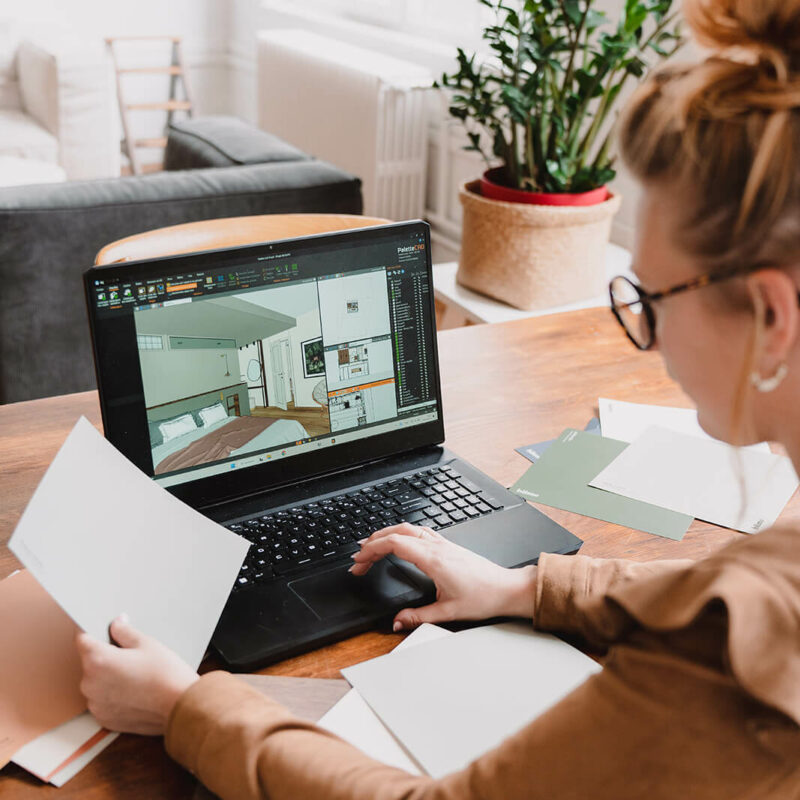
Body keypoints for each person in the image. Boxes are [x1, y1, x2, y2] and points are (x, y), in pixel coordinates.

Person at [76, 0, 800, 796]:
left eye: (650, 297)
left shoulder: (731, 666)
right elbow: (717, 590)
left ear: (771, 315)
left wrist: (184, 707)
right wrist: (524, 587)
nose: (647, 336)